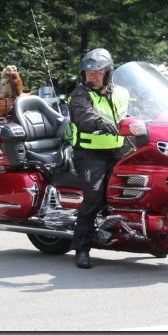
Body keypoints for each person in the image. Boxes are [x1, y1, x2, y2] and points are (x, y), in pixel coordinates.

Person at [68, 48, 129, 269]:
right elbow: (84, 116)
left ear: (108, 73)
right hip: (88, 154)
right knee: (94, 196)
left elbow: (135, 112)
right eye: (88, 72)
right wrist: (98, 123)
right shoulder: (79, 95)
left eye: (98, 72)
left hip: (118, 151)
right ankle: (81, 249)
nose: (92, 75)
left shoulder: (121, 93)